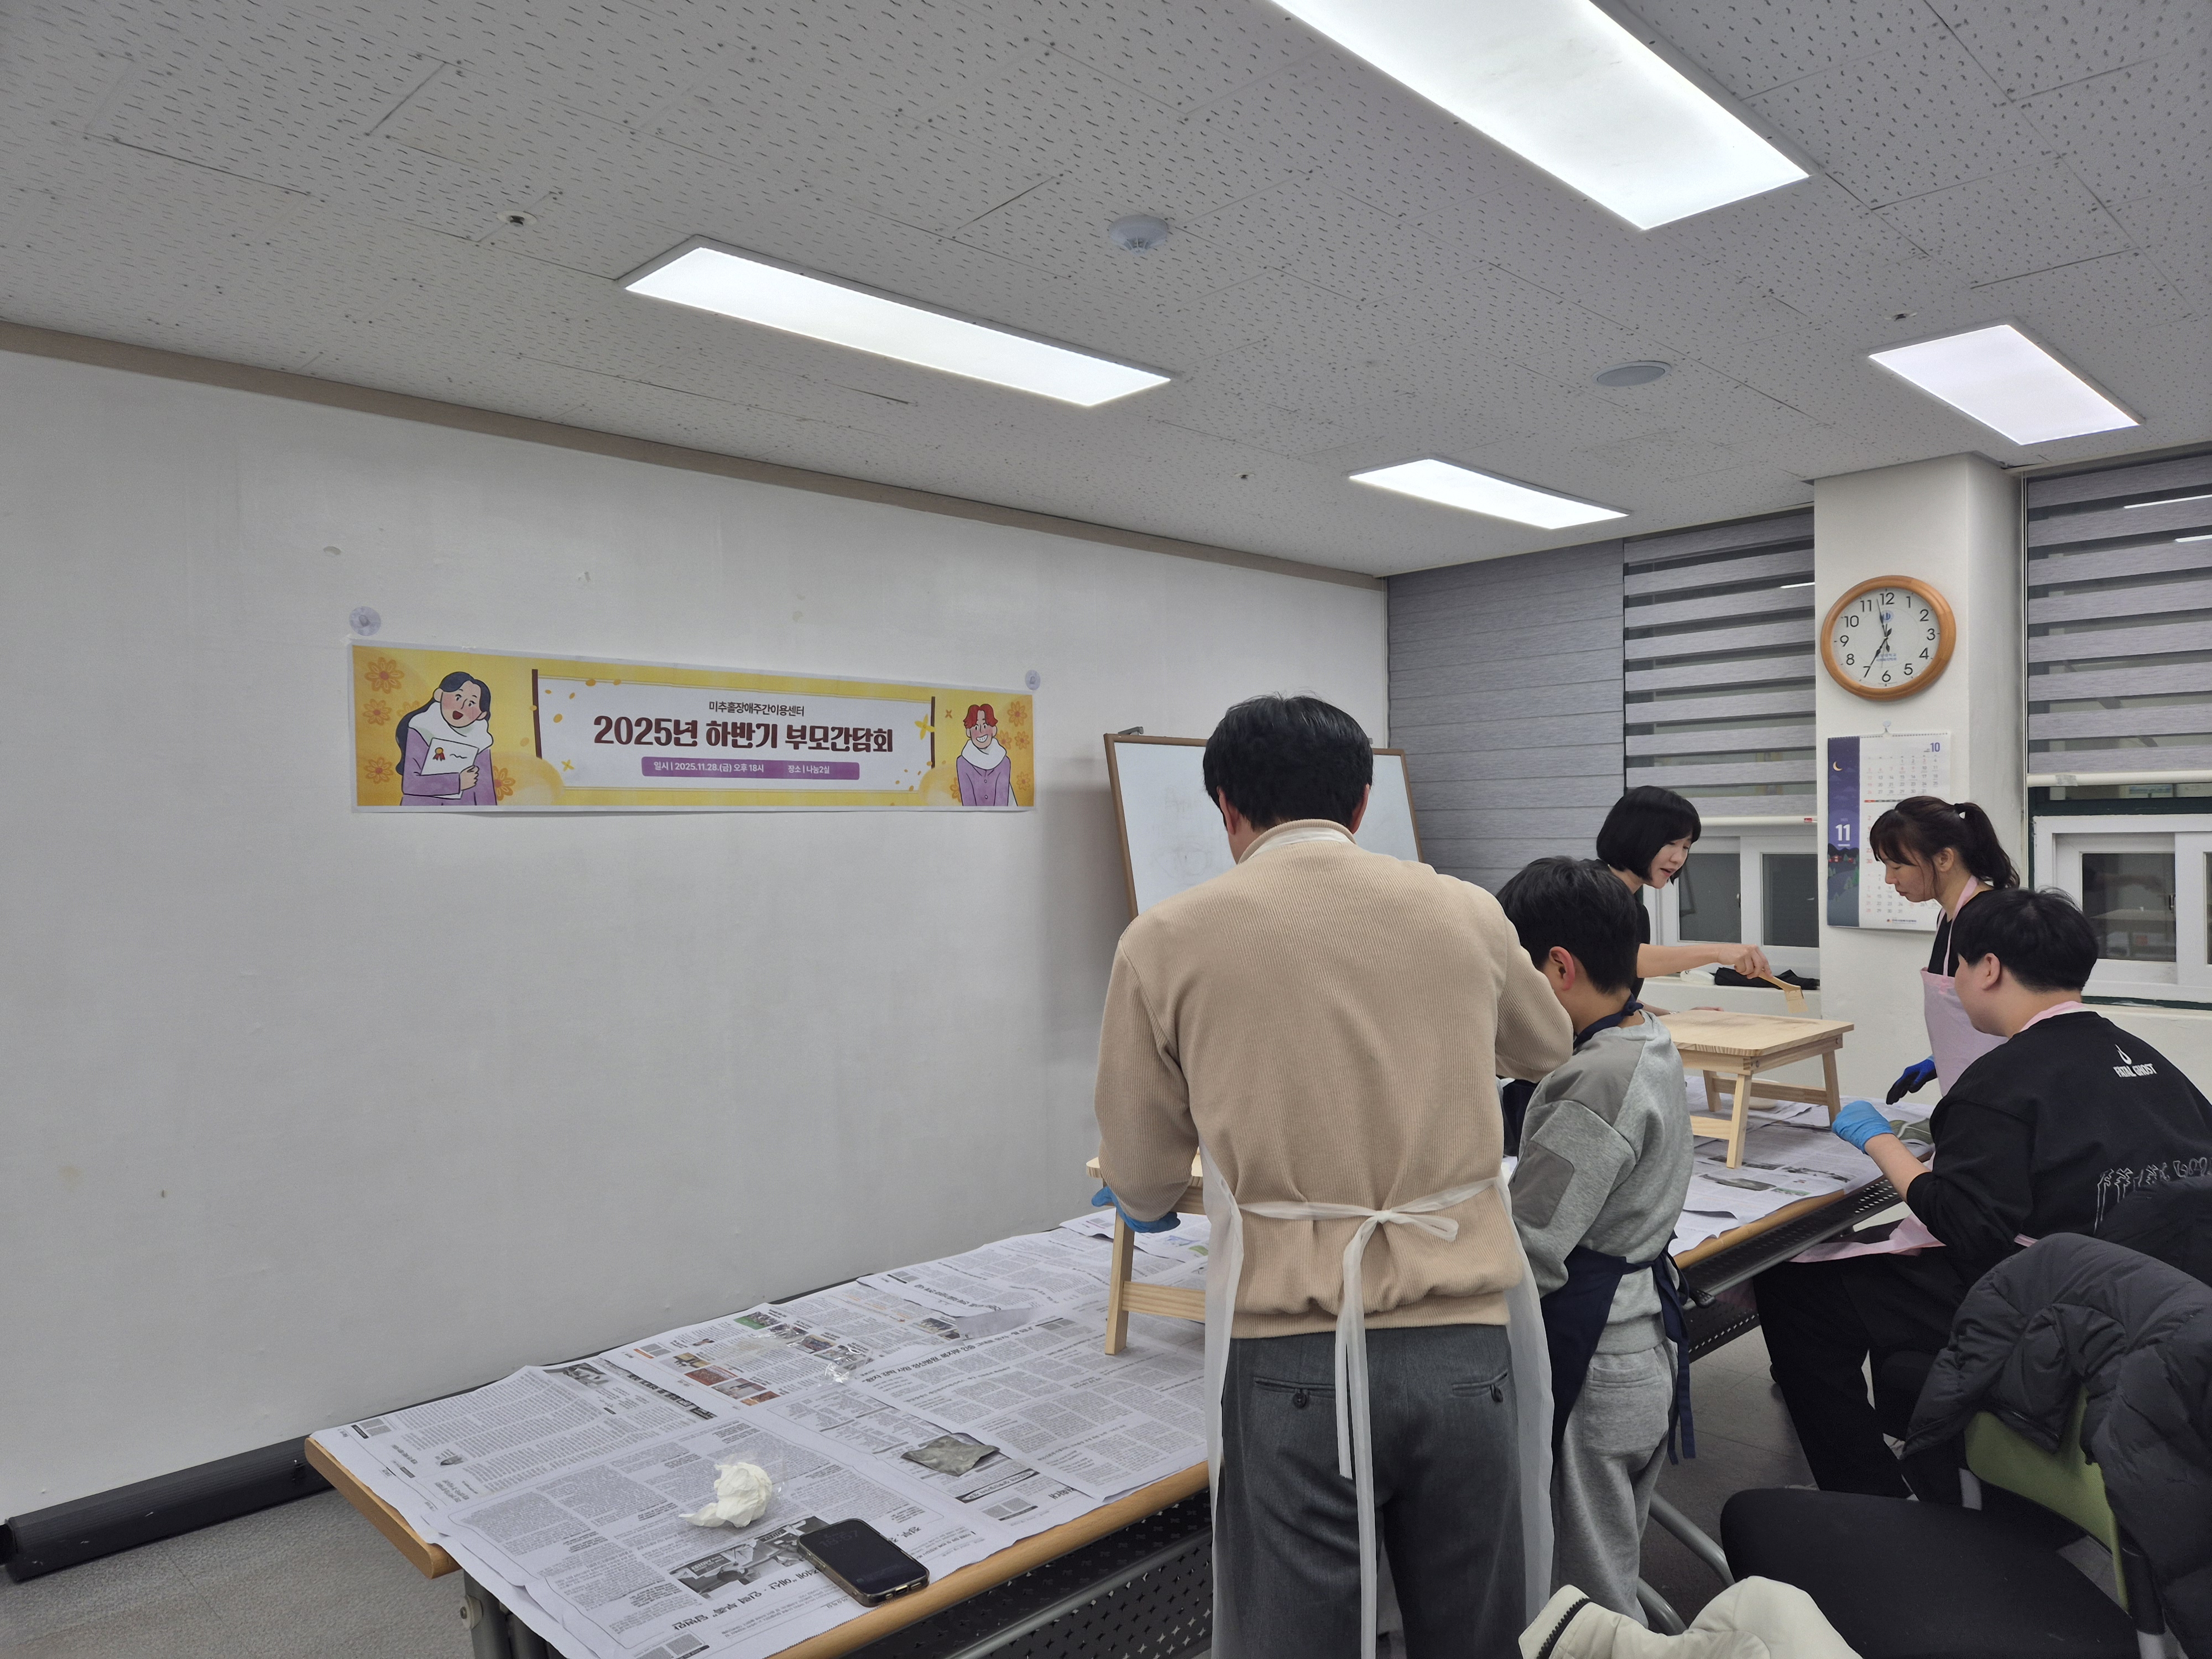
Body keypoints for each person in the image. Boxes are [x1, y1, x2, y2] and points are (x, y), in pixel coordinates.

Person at [1092, 695, 1572, 1659]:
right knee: (1477, 1634)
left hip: (1288, 1353)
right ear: (1360, 804)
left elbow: (1140, 1181)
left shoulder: (1164, 938)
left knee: (1296, 1639)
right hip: (1463, 1341)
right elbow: (1547, 1046)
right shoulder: (1465, 911)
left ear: (1226, 808)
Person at [1754, 887, 2212, 1496]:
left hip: (2045, 1306)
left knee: (1791, 1287)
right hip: (2152, 1299)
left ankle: (1868, 1495)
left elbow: (1963, 1224)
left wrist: (1878, 1141)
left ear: (1989, 968)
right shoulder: (2149, 1062)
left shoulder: (2000, 1083)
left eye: (1960, 968)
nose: (1957, 983)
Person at [1496, 857, 1694, 1620]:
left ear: (1558, 967)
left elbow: (1530, 1246)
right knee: (1606, 1567)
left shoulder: (1593, 1081)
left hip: (1598, 1363)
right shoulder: (1645, 1037)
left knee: (1585, 1601)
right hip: (1638, 1344)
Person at [1867, 794, 2020, 1103]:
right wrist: (1938, 1060)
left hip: (1999, 1096)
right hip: (1965, 1089)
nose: (1889, 879)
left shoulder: (1989, 919)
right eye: (1886, 866)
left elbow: (2023, 1019)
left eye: (1897, 865)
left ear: (1944, 859)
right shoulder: (1947, 916)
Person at [1594, 786, 1772, 998]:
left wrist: (1673, 1014)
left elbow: (1617, 1001)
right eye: (1670, 843)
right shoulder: (1584, 887)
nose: (1678, 858)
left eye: (1686, 847)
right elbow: (1618, 959)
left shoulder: (1638, 914)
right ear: (1633, 835)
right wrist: (1718, 952)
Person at [395, 671, 497, 806]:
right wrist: (458, 782)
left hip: (464, 812)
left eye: (471, 703)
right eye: (458, 697)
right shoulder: (422, 728)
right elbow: (411, 784)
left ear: (481, 714)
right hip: (422, 810)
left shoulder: (481, 739)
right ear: (439, 695)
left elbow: (485, 791)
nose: (461, 707)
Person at [956, 703, 1014, 806]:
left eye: (985, 725)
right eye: (976, 727)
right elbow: (968, 801)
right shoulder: (963, 763)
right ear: (968, 732)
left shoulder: (1004, 761)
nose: (981, 731)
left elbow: (1002, 801)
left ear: (994, 730)